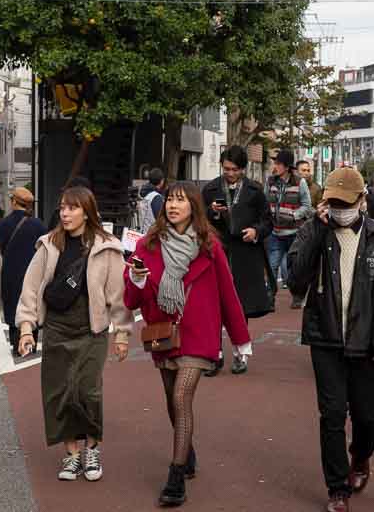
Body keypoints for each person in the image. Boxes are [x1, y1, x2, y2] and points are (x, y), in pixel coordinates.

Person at [124, 181, 251, 507]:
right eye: (170, 201)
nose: (173, 206)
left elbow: (228, 293)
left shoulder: (210, 246)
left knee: (181, 396)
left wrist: (240, 339)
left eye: (180, 201)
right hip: (164, 332)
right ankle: (188, 451)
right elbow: (132, 298)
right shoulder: (149, 245)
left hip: (199, 334)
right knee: (171, 401)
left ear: (194, 206)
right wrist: (136, 278)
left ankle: (176, 477)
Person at [287, 167, 374, 512]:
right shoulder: (313, 231)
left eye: (345, 203)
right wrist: (318, 232)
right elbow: (295, 281)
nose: (339, 209)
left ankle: (361, 457)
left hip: (366, 341)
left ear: (362, 201)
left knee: (367, 416)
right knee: (332, 414)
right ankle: (337, 489)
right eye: (333, 203)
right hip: (326, 337)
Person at [16, 186, 132, 483]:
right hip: (56, 328)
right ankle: (71, 454)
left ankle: (92, 448)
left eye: (72, 208)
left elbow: (118, 295)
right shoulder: (49, 244)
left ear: (87, 212)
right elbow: (30, 289)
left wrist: (121, 334)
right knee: (59, 393)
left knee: (87, 391)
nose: (65, 213)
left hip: (91, 331)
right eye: (63, 208)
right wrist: (27, 329)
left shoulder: (108, 247)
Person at [203, 146, 272, 376]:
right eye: (226, 168)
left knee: (240, 307)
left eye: (234, 169)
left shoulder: (255, 191)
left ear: (243, 169)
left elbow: (267, 221)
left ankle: (240, 354)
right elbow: (199, 218)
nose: (229, 173)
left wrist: (255, 231)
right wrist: (212, 212)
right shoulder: (211, 188)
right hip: (217, 251)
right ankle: (215, 355)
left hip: (245, 253)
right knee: (213, 304)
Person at [0, 187, 49, 356]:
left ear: (14, 202)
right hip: (32, 271)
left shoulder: (4, 223)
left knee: (12, 302)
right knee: (31, 301)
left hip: (11, 270)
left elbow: (2, 247)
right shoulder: (38, 224)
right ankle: (31, 339)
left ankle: (15, 342)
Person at [265, 149, 312, 309]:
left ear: (286, 166)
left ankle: (297, 295)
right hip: (275, 232)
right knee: (272, 267)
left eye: (278, 163)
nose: (275, 166)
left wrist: (293, 215)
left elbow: (307, 206)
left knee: (294, 268)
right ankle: (269, 299)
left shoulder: (300, 182)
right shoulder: (270, 181)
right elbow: (265, 203)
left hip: (294, 234)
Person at [138, 167, 166, 233]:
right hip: (153, 235)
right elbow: (160, 219)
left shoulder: (143, 194)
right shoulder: (156, 197)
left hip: (143, 232)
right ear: (162, 181)